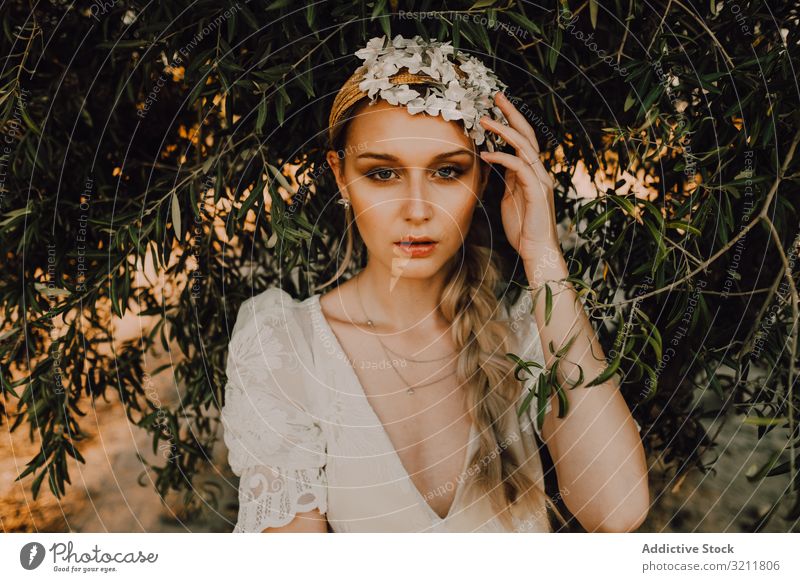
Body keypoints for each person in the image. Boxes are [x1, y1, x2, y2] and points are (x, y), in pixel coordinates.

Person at [221, 34, 648, 533]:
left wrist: (543, 257)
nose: (418, 210)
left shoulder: (530, 332)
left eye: (447, 172)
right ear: (341, 177)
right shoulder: (286, 349)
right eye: (383, 175)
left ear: (483, 179)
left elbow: (616, 510)